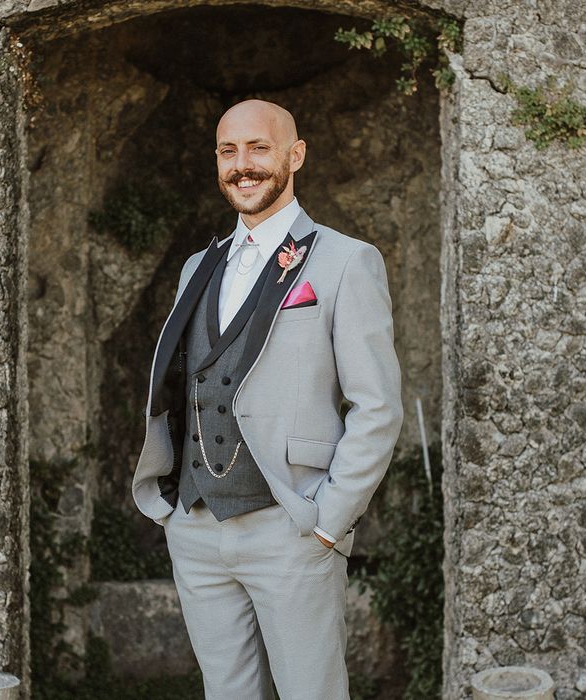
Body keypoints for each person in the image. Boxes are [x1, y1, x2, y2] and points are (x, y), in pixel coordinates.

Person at [132, 98, 403, 700]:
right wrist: (175, 512)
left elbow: (378, 406)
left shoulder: (344, 262)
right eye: (228, 151)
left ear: (294, 155)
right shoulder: (197, 266)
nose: (242, 165)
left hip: (292, 527)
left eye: (259, 148)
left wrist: (329, 521)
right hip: (197, 530)